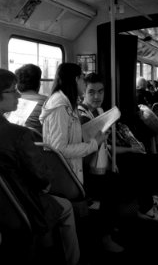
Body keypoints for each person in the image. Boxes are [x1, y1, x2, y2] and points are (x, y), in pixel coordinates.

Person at [39, 63, 124, 253]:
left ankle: (106, 228)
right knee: (109, 187)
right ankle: (104, 236)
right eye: (82, 79)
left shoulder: (66, 104)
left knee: (113, 181)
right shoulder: (60, 107)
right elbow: (58, 148)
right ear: (76, 79)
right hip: (65, 173)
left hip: (73, 165)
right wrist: (94, 143)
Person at [0, 68, 80, 265]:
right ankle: (72, 259)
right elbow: (42, 179)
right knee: (67, 206)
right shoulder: (20, 135)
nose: (19, 94)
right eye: (12, 90)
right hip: (20, 204)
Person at [78, 72, 158, 222]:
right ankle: (147, 207)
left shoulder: (100, 111)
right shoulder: (83, 116)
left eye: (100, 92)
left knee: (141, 157)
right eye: (91, 92)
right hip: (92, 166)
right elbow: (93, 149)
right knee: (137, 164)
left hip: (104, 158)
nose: (97, 96)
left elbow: (107, 146)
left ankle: (147, 200)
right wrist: (123, 154)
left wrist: (130, 149)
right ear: (83, 92)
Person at [15, 64, 47, 135]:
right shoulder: (46, 101)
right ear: (38, 83)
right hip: (37, 143)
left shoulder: (13, 100)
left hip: (13, 141)